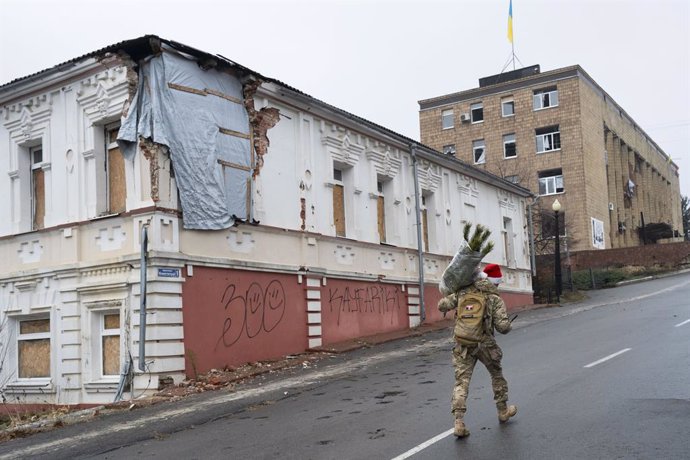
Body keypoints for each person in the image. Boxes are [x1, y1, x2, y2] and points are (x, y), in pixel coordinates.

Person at [438, 263, 517, 438]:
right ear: (495, 282)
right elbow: (502, 327)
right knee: (497, 375)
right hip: (485, 345)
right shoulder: (494, 298)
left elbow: (442, 305)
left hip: (463, 344)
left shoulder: (463, 292)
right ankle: (503, 411)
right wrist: (509, 325)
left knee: (461, 382)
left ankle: (458, 422)